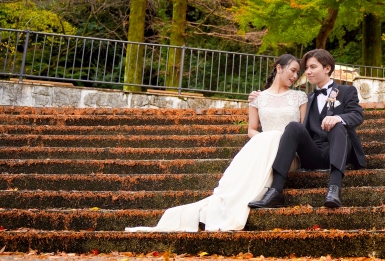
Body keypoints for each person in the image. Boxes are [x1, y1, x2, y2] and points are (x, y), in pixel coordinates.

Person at [125, 54, 307, 232]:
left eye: (298, 73)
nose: (295, 76)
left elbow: (301, 131)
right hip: (263, 148)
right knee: (269, 137)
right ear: (278, 68)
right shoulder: (258, 98)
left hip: (289, 156)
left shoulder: (300, 97)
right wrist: (266, 138)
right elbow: (251, 130)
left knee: (276, 136)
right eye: (292, 70)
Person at [247, 49, 366, 210]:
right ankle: (275, 191)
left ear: (327, 68)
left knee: (338, 126)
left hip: (341, 150)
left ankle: (334, 188)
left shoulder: (346, 91)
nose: (307, 72)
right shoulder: (305, 98)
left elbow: (357, 115)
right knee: (293, 127)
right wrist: (259, 98)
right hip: (314, 153)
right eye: (306, 68)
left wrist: (338, 118)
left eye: (312, 67)